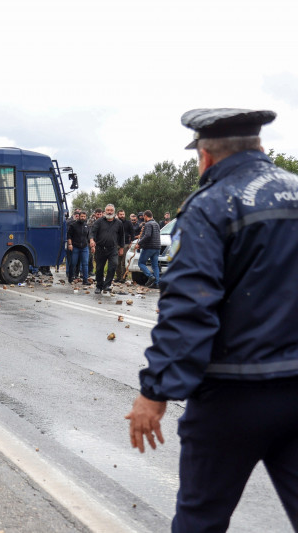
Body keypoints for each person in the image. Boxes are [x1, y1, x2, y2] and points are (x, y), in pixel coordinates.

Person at [125, 108, 298, 532]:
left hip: (232, 395)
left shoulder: (212, 206)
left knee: (200, 520)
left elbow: (188, 308)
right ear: (260, 147)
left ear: (205, 156)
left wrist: (155, 391)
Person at [89, 204, 124, 294]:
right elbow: (92, 232)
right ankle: (99, 286)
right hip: (100, 249)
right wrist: (92, 240)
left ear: (114, 211)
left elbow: (121, 236)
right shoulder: (99, 221)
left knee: (113, 265)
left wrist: (121, 248)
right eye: (108, 210)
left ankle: (107, 285)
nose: (109, 212)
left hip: (113, 249)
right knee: (99, 268)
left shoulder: (119, 223)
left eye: (111, 210)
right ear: (105, 212)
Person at [135, 211, 161, 288]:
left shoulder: (148, 224)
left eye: (144, 217)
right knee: (155, 266)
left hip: (149, 247)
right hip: (157, 247)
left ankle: (150, 276)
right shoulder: (156, 224)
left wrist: (139, 244)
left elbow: (147, 235)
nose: (143, 218)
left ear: (146, 216)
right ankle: (157, 283)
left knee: (141, 263)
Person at [67, 210, 90, 285]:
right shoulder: (73, 225)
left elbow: (88, 237)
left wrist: (91, 245)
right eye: (81, 216)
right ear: (79, 217)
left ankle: (85, 280)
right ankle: (70, 277)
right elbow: (69, 235)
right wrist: (70, 244)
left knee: (85, 264)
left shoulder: (87, 226)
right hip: (75, 247)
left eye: (84, 216)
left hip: (84, 247)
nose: (83, 218)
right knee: (73, 263)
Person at [116, 209, 134, 281]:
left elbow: (132, 233)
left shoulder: (128, 223)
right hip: (116, 244)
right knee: (116, 262)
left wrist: (131, 242)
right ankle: (118, 277)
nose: (122, 216)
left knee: (123, 262)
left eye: (123, 214)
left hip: (126, 244)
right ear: (117, 215)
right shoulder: (115, 223)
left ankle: (123, 277)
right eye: (120, 214)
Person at [86, 208, 102, 276]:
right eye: (97, 214)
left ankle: (97, 271)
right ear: (95, 214)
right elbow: (90, 231)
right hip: (91, 240)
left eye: (100, 214)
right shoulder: (91, 221)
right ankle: (89, 270)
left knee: (98, 258)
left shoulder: (103, 220)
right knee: (90, 256)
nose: (99, 216)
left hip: (100, 240)